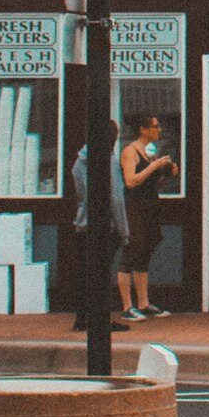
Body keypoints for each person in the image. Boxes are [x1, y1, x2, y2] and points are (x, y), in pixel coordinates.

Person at [70, 119, 130, 333]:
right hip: (105, 227)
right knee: (102, 275)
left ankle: (82, 318)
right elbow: (116, 198)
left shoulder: (80, 162)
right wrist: (123, 231)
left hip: (84, 225)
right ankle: (102, 319)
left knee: (85, 274)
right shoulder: (110, 161)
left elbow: (79, 192)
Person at [117, 114, 178, 319]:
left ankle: (143, 303)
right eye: (155, 126)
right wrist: (154, 166)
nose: (159, 130)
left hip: (150, 206)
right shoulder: (130, 151)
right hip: (134, 207)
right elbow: (130, 181)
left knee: (145, 251)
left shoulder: (150, 152)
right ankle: (127, 306)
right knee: (132, 249)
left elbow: (151, 182)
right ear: (143, 130)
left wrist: (166, 172)